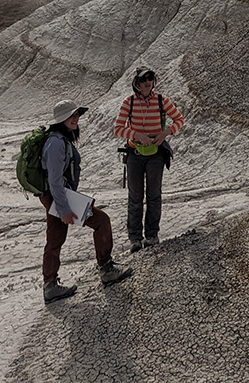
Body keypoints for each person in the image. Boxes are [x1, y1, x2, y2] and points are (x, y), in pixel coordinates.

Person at [40, 99, 132, 303]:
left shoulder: (59, 138)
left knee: (55, 239)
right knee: (101, 221)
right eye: (71, 115)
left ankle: (50, 285)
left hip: (56, 196)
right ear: (60, 120)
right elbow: (55, 181)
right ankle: (106, 269)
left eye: (77, 115)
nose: (75, 118)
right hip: (58, 196)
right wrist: (64, 209)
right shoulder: (56, 143)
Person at [113, 67, 186, 253]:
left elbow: (179, 120)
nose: (147, 82)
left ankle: (152, 235)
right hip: (135, 153)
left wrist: (166, 132)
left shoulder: (162, 101)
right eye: (143, 79)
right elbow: (118, 128)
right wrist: (136, 134)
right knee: (135, 197)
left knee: (154, 195)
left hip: (156, 153)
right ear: (136, 83)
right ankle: (135, 238)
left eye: (150, 78)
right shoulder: (128, 103)